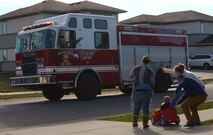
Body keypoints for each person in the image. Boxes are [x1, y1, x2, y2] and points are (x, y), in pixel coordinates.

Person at [130, 56, 155, 128]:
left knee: (136, 106)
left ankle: (134, 122)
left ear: (142, 61)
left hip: (137, 89)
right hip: (147, 90)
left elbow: (131, 76)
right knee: (145, 107)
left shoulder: (136, 68)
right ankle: (145, 124)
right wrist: (153, 89)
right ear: (148, 62)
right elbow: (152, 81)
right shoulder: (150, 71)